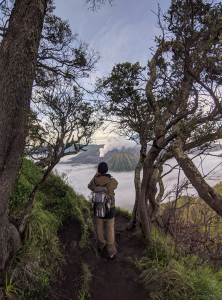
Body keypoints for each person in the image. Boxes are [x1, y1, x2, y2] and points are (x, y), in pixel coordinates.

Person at [88, 162, 118, 259]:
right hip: (110, 208)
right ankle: (111, 250)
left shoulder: (95, 181)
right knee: (110, 228)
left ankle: (101, 245)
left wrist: (95, 175)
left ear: (98, 171)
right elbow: (116, 185)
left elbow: (89, 186)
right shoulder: (112, 180)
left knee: (99, 225)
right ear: (106, 170)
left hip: (98, 207)